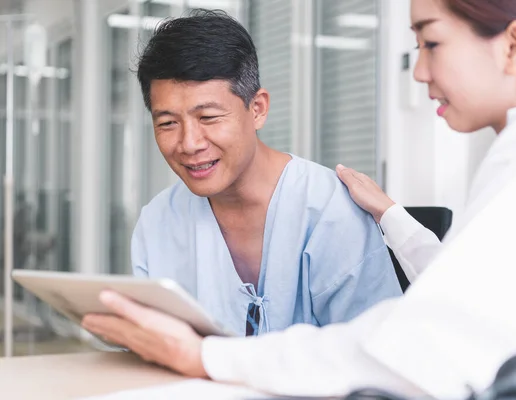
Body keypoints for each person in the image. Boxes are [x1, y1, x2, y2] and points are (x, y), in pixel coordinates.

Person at [82, 0, 516, 398]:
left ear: (514, 46)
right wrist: (394, 217)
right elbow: (471, 296)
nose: (418, 71)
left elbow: (405, 346)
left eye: (431, 43)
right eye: (167, 122)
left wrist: (207, 357)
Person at [129, 10, 402, 337]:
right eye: (167, 123)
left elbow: (375, 352)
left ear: (257, 109)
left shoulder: (329, 209)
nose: (189, 144)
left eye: (209, 117)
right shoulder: (158, 222)